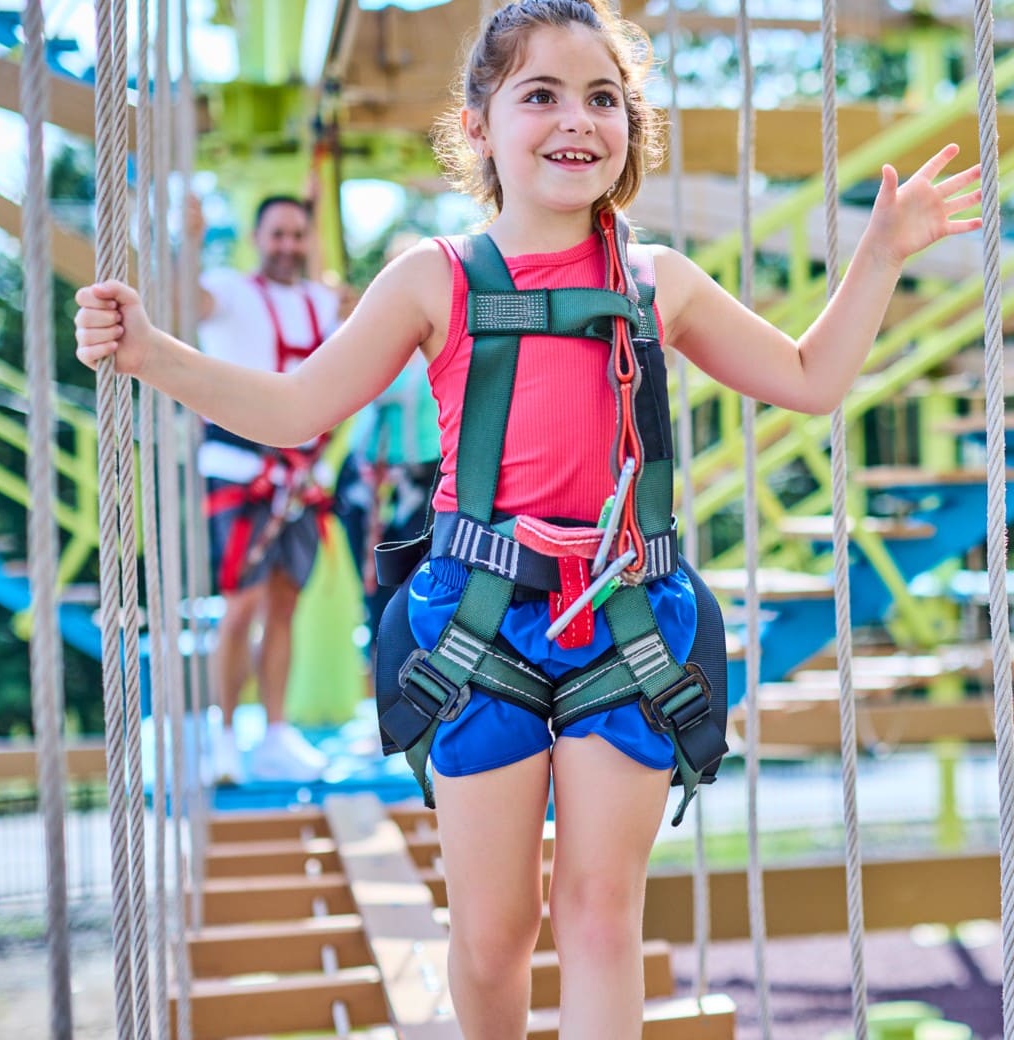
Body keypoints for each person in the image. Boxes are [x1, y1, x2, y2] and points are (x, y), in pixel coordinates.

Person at [75, 0, 981, 1033]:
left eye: (601, 97)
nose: (574, 120)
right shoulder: (433, 277)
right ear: (478, 126)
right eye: (538, 95)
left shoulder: (657, 284)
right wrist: (153, 355)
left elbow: (811, 378)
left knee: (598, 914)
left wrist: (879, 253)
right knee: (494, 933)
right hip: (479, 621)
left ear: (628, 127)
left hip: (624, 618)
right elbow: (295, 408)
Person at [192, 194, 342, 785]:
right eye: (277, 234)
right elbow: (187, 304)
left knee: (284, 604)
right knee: (242, 605)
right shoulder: (227, 290)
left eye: (297, 235)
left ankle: (275, 733)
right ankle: (225, 734)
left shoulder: (322, 301)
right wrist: (187, 242)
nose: (288, 245)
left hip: (303, 477)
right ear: (258, 238)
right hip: (240, 469)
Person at [334, 232, 442, 653]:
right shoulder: (368, 330)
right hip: (369, 479)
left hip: (425, 478)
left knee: (419, 583)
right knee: (376, 586)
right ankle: (383, 662)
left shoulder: (446, 333)